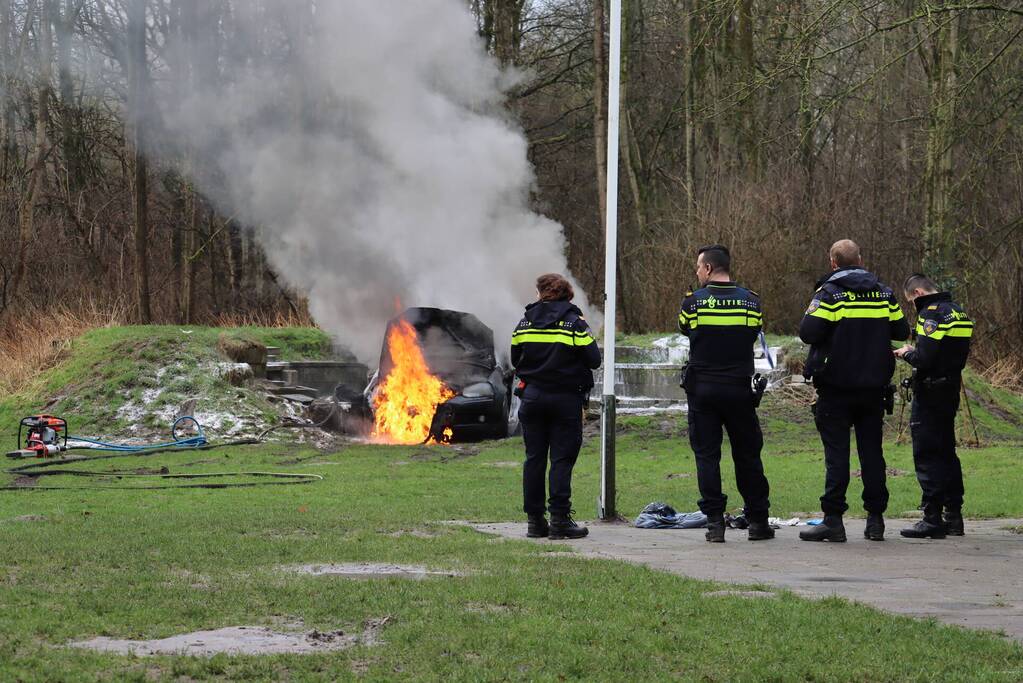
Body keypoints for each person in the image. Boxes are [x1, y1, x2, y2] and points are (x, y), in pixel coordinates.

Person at [798, 239, 910, 543]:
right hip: (873, 389)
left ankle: (833, 521)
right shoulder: (884, 293)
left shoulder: (830, 295)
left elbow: (807, 332)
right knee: (872, 454)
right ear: (860, 259)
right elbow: (901, 330)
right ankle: (875, 520)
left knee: (837, 456)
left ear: (833, 262)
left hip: (836, 388)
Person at [678, 245, 773, 543]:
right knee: (748, 456)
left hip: (703, 389)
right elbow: (753, 332)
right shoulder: (751, 302)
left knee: (707, 456)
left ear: (707, 269)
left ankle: (715, 524)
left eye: (697, 267)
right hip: (739, 389)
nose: (696, 272)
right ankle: (758, 521)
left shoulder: (693, 302)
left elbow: (685, 330)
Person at [511, 273, 601, 540]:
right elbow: (594, 359)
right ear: (567, 295)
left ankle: (535, 522)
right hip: (565, 399)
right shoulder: (574, 323)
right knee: (561, 461)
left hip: (533, 398)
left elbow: (516, 357)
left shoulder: (525, 322)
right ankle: (560, 521)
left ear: (541, 293)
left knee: (534, 460)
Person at [893, 274, 974, 538]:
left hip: (930, 392)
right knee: (947, 452)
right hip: (950, 388)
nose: (912, 306)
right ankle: (953, 516)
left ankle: (931, 518)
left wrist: (906, 353)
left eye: (910, 301)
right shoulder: (958, 312)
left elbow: (925, 359)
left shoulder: (930, 315)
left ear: (917, 292)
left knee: (927, 454)